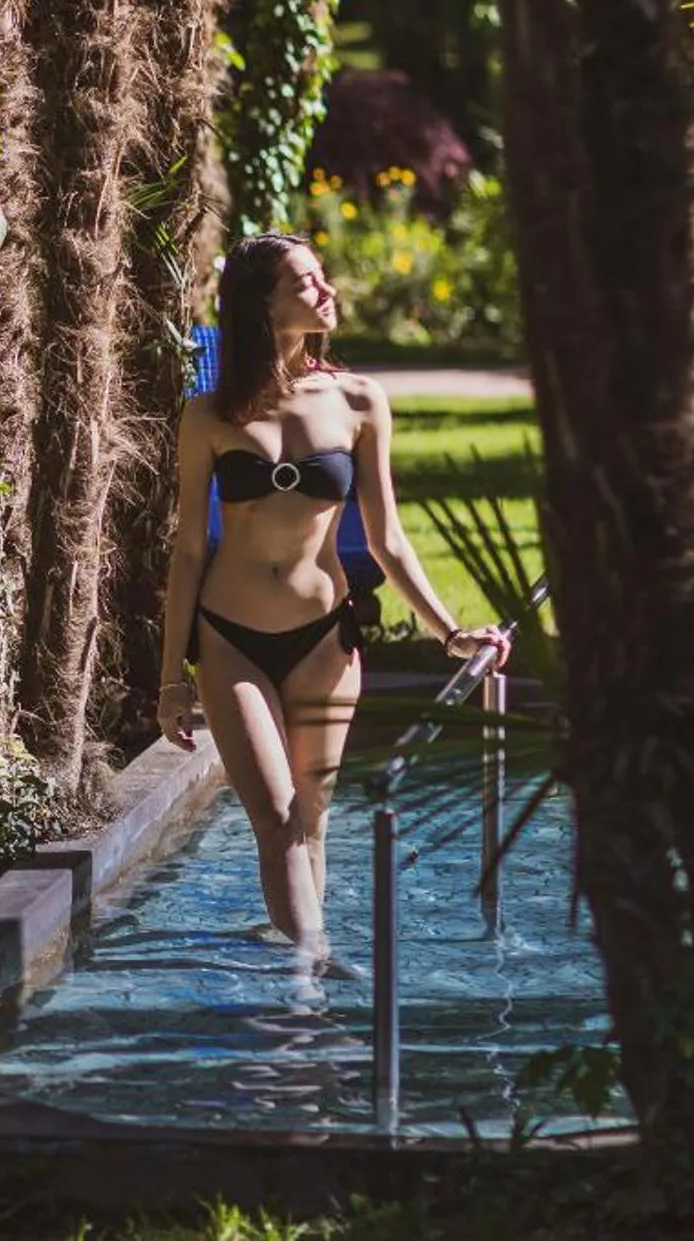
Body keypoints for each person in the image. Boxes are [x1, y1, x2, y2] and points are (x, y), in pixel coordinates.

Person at [155, 232, 508, 963]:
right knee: (278, 816)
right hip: (231, 641)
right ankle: (314, 964)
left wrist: (448, 633)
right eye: (307, 283)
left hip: (326, 640)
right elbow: (190, 550)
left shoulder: (358, 400)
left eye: (322, 279)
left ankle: (297, 974)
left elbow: (389, 541)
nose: (327, 291)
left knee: (310, 819)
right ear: (263, 305)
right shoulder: (207, 415)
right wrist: (169, 679)